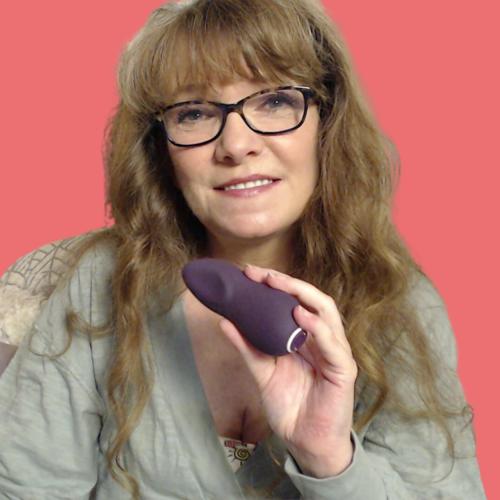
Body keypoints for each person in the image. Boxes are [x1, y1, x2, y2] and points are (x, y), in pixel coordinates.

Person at [0, 0, 487, 498]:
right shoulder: (101, 280)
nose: (236, 145)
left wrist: (329, 459)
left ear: (326, 123)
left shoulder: (399, 304)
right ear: (159, 149)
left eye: (274, 101)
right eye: (193, 112)